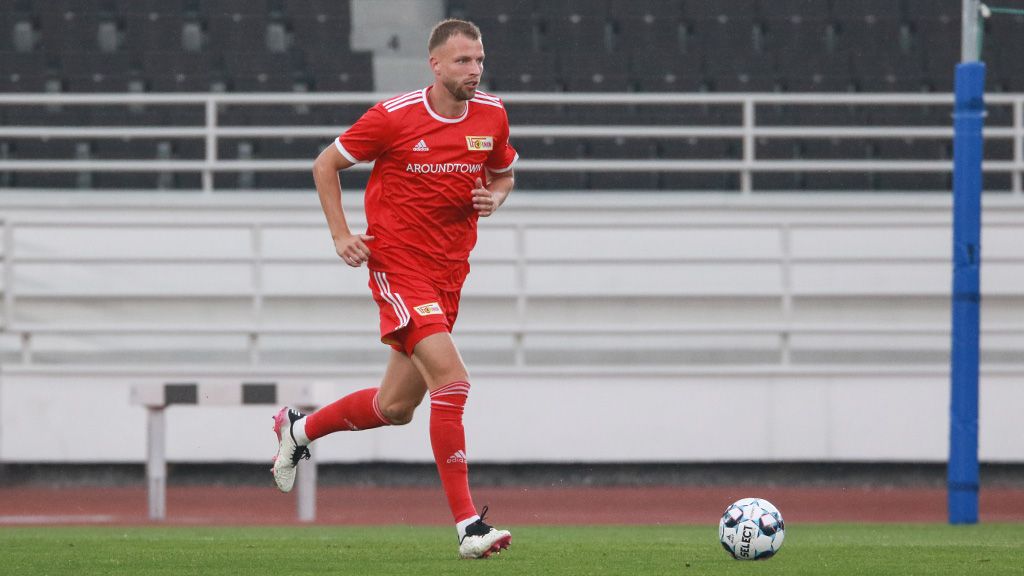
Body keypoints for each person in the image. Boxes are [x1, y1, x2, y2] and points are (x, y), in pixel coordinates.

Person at [271, 18, 517, 560]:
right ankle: (468, 528)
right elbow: (326, 163)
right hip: (399, 265)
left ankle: (298, 429)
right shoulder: (394, 116)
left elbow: (504, 174)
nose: (473, 70)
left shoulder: (492, 115)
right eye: (461, 61)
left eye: (478, 60)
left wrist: (494, 199)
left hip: (451, 272)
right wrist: (341, 235)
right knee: (452, 382)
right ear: (435, 64)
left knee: (396, 407)